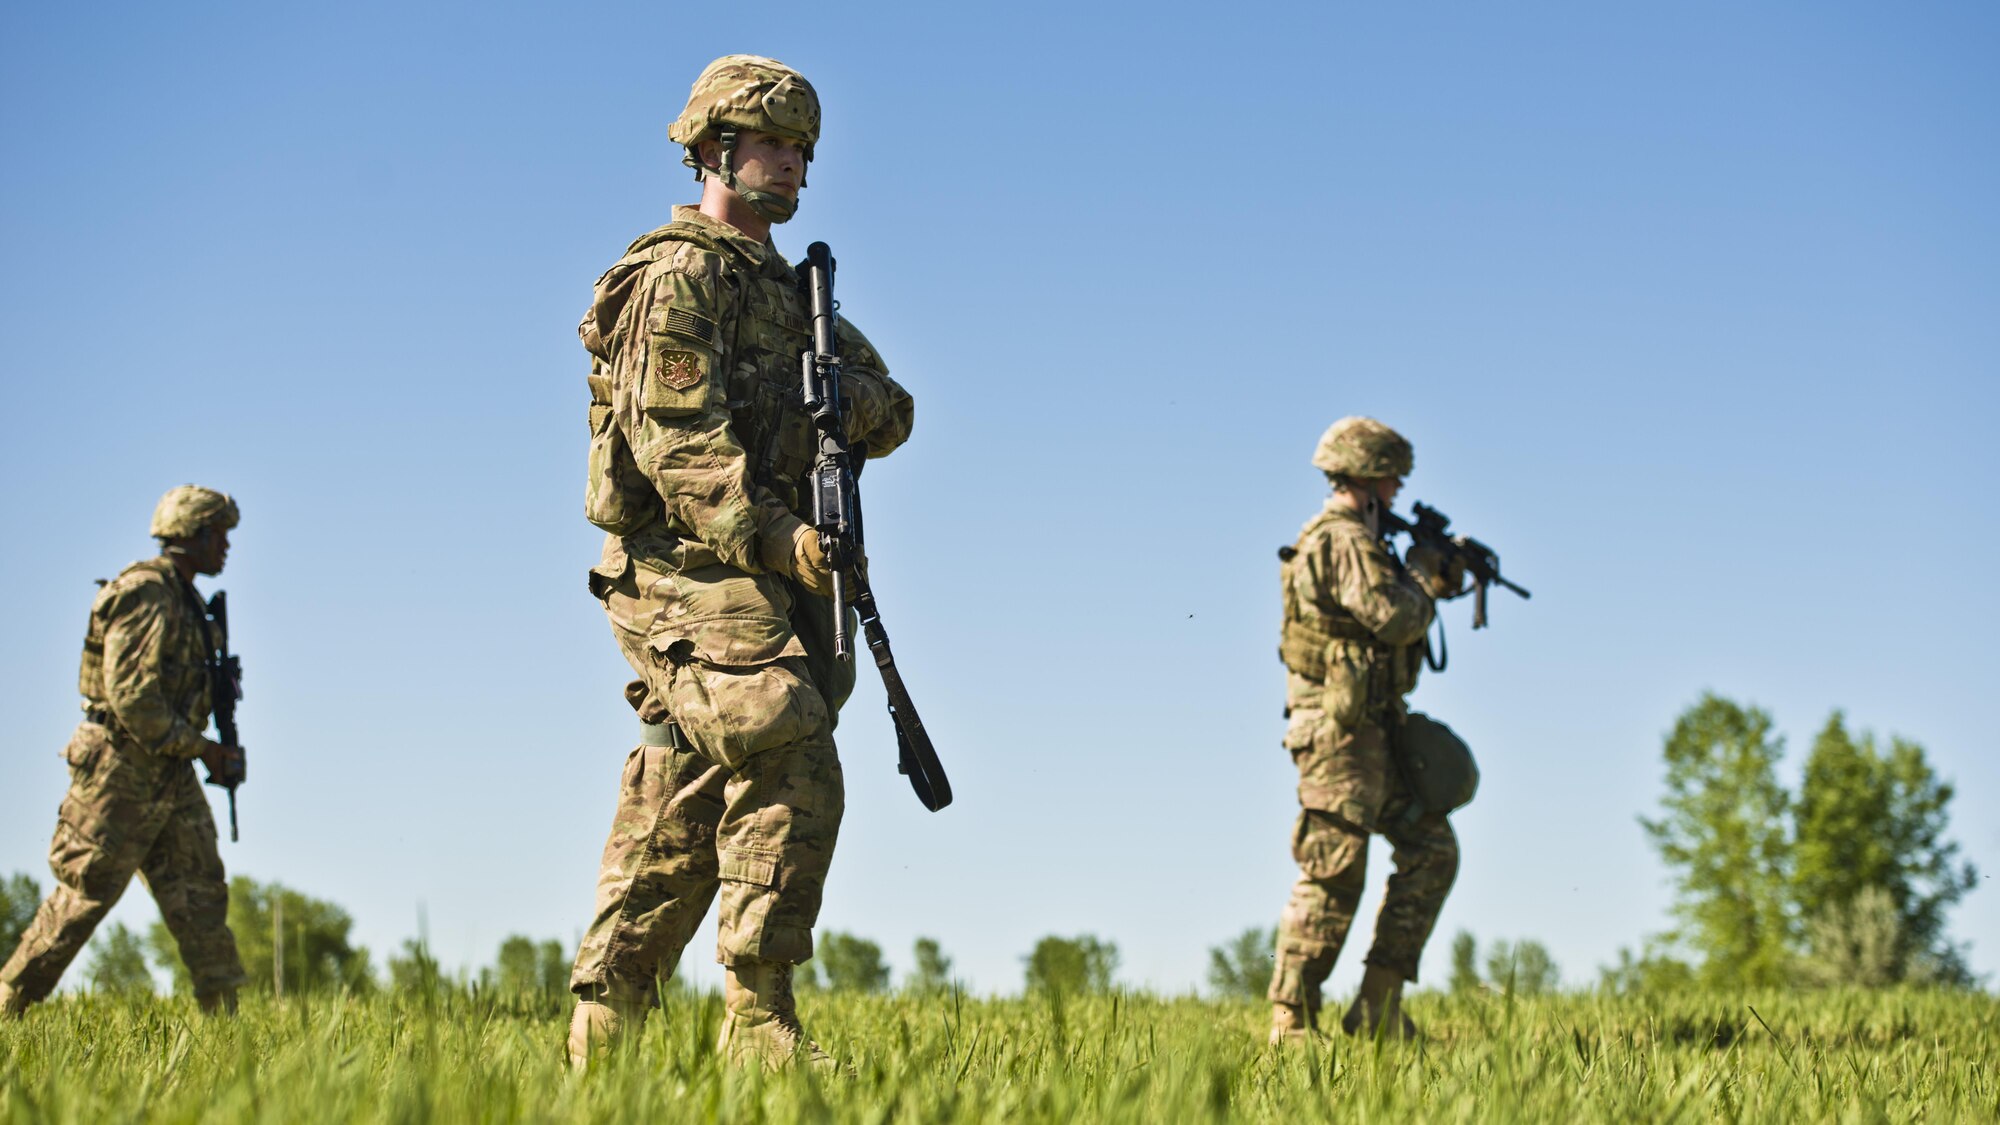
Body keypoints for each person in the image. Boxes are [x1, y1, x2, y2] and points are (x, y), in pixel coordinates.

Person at [566, 54, 914, 1070]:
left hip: (765, 573)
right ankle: (759, 1024)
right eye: (771, 142)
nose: (793, 163)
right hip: (678, 563)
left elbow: (893, 410)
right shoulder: (678, 274)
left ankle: (602, 1037)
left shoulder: (789, 296)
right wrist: (782, 540)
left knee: (681, 796)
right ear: (715, 147)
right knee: (786, 738)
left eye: (804, 148)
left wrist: (840, 401)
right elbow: (676, 448)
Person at [0, 485, 248, 1017]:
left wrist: (203, 748)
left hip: (170, 772)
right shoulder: (147, 592)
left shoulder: (186, 599)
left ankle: (233, 1038)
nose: (225, 546)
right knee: (80, 900)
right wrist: (202, 749)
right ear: (194, 535)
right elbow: (132, 698)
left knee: (202, 898)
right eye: (219, 534)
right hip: (121, 770)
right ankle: (6, 1010)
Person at [1267, 418, 1466, 1043]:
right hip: (1337, 734)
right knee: (1334, 866)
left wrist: (1431, 576)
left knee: (1432, 849)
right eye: (1392, 476)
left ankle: (1377, 1009)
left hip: (1373, 732)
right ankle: (1291, 1022)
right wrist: (1426, 578)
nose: (1399, 487)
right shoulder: (1343, 538)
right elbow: (1393, 617)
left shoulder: (1363, 540)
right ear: (1365, 472)